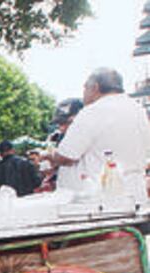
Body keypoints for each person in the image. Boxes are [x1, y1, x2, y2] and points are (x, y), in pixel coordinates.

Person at [49, 68, 150, 199]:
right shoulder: (138, 110)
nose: (83, 93)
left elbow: (66, 157)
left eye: (85, 88)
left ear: (95, 87)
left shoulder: (92, 111)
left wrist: (49, 155)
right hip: (135, 192)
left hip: (99, 199)